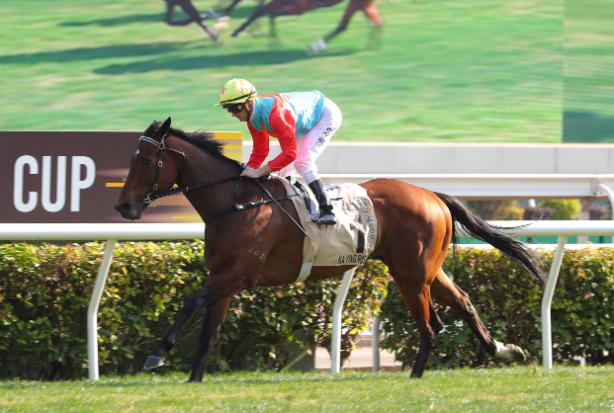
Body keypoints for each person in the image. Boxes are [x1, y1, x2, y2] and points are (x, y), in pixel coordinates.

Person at [214, 78, 342, 225]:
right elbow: (260, 150)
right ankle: (299, 212)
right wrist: (248, 171)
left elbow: (289, 154)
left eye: (235, 108)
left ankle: (327, 210)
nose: (232, 114)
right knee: (284, 173)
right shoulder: (252, 119)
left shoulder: (276, 115)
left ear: (249, 104)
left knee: (302, 162)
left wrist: (260, 171)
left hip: (325, 115)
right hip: (301, 123)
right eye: (228, 109)